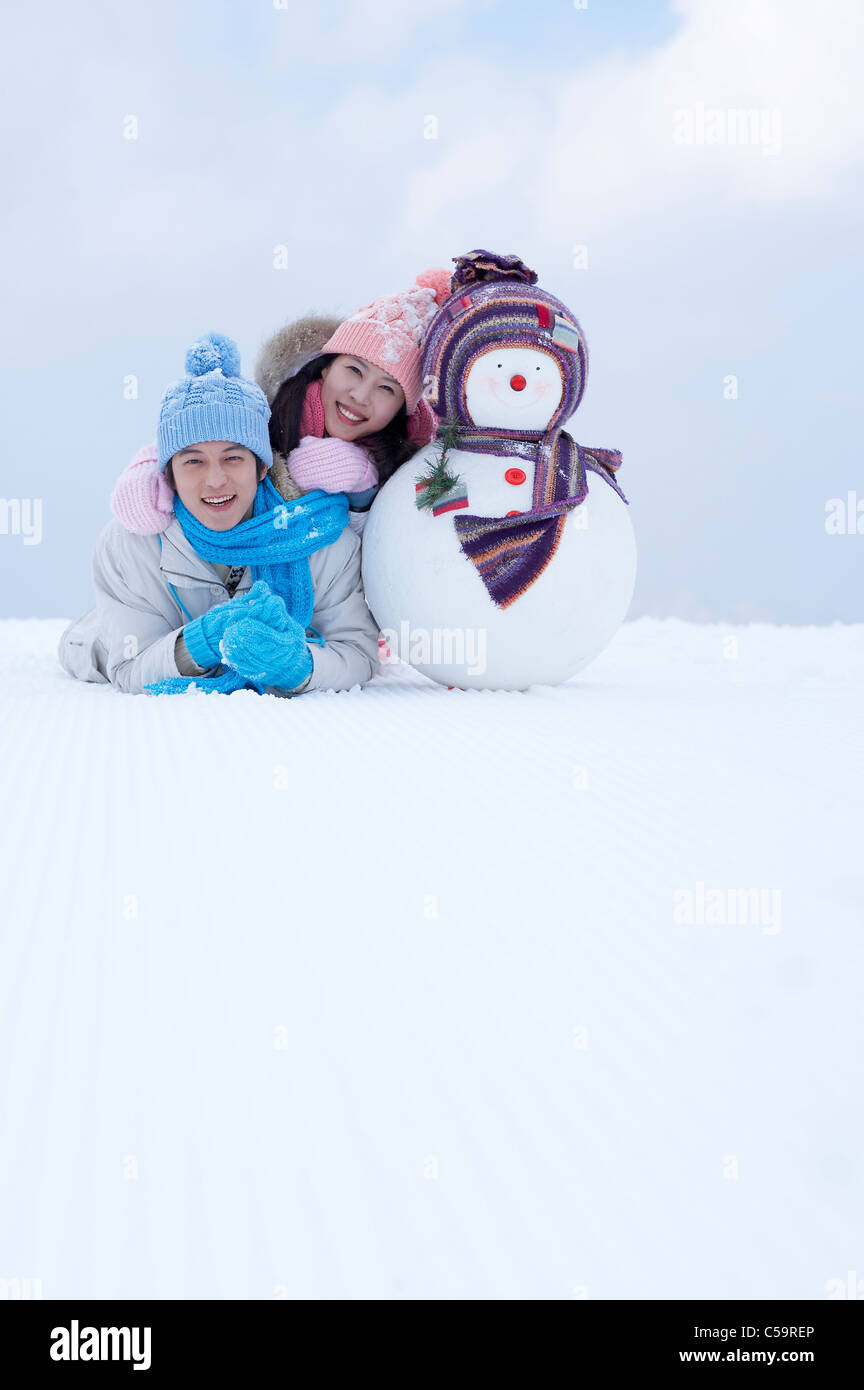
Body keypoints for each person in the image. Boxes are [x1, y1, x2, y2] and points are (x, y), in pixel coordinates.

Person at [58, 332, 380, 696]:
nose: (215, 480)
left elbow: (358, 654)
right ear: (170, 475)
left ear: (261, 468)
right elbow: (129, 667)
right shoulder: (130, 547)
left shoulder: (319, 539)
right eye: (194, 461)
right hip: (96, 641)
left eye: (233, 458)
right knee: (87, 647)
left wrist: (300, 666)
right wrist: (198, 642)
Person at [110, 269, 452, 539]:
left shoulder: (412, 466)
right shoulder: (271, 403)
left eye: (386, 389)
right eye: (353, 370)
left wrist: (364, 487)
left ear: (400, 409)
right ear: (326, 364)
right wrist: (153, 463)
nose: (360, 396)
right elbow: (206, 426)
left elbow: (380, 556)